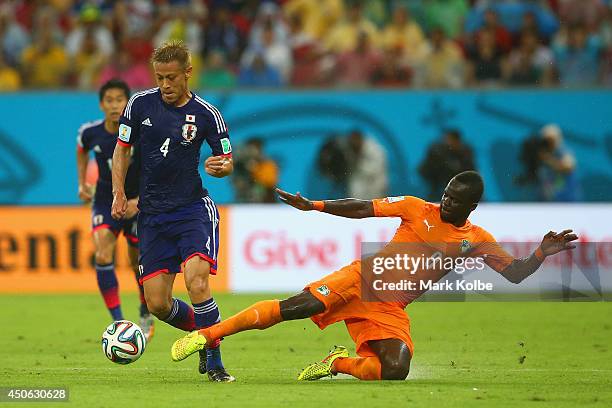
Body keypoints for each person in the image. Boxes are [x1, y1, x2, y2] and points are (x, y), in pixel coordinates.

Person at [170, 171, 578, 381]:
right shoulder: (418, 207)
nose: (446, 200)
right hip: (363, 278)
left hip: (390, 308)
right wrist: (314, 205)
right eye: (446, 193)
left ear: (472, 205)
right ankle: (205, 336)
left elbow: (516, 275)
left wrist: (541, 252)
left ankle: (337, 364)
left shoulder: (478, 239)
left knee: (396, 371)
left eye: (455, 199)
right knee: (297, 307)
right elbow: (363, 207)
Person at [110, 40, 235, 382]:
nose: (165, 84)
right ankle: (207, 331)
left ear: (187, 74)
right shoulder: (139, 105)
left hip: (193, 210)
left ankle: (214, 360)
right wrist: (118, 193)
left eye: (171, 77)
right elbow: (121, 151)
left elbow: (226, 159)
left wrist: (221, 168)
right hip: (152, 216)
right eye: (159, 77)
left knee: (197, 284)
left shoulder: (208, 114)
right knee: (158, 305)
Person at [76, 79, 154, 339]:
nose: (114, 105)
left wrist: (139, 201)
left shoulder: (141, 133)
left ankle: (145, 310)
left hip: (135, 202)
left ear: (127, 103)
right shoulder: (91, 132)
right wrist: (81, 184)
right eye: (108, 100)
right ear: (101, 104)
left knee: (137, 263)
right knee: (102, 253)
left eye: (119, 100)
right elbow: (81, 148)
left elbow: (154, 170)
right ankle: (120, 323)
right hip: (104, 200)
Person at [419, 129, 475, 201]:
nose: (449, 142)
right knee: (435, 194)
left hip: (453, 180)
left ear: (458, 140)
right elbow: (429, 169)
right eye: (447, 139)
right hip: (435, 178)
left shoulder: (465, 151)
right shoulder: (438, 151)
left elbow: (469, 170)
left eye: (451, 140)